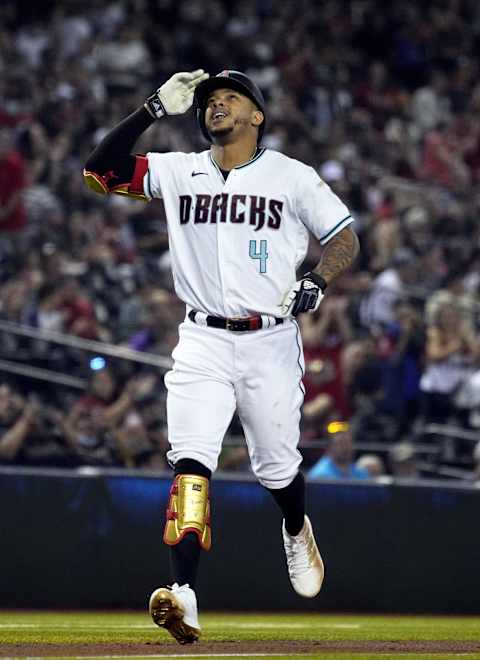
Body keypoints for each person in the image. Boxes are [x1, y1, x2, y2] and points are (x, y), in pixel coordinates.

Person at [84, 69, 359, 644]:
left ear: (257, 115)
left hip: (270, 339)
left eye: (231, 97)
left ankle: (293, 524)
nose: (216, 105)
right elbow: (100, 171)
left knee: (277, 467)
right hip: (203, 338)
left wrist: (318, 280)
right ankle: (183, 592)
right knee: (191, 461)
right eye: (209, 100)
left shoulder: (290, 175)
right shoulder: (180, 169)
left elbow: (344, 237)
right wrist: (152, 109)